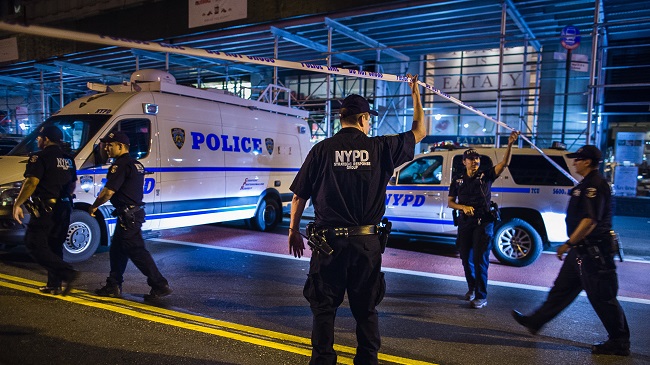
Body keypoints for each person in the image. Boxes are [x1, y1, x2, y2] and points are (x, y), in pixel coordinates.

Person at [288, 74, 426, 365]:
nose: (370, 123)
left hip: (328, 246)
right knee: (365, 309)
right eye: (369, 119)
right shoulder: (381, 148)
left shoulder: (321, 150)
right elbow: (420, 130)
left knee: (324, 309)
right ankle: (366, 360)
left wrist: (293, 231)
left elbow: (299, 196)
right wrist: (415, 92)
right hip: (366, 245)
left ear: (342, 119)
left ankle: (323, 360)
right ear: (363, 118)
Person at [512, 145, 630, 356]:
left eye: (578, 159)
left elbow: (589, 220)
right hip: (581, 250)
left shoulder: (596, 185)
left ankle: (619, 341)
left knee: (603, 297)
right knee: (561, 290)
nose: (574, 162)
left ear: (588, 162)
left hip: (594, 253)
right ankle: (536, 321)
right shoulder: (584, 184)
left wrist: (568, 244)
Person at [90, 131, 172, 300]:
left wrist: (94, 206)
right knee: (117, 251)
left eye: (110, 145)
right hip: (130, 214)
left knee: (136, 251)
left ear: (121, 146)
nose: (106, 149)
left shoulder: (120, 165)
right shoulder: (135, 164)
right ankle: (113, 285)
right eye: (106, 145)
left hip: (129, 216)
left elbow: (108, 192)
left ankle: (159, 284)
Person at [447, 130, 519, 309]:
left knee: (481, 260)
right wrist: (462, 207)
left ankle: (481, 295)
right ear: (464, 162)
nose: (475, 161)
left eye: (477, 159)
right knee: (466, 258)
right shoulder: (457, 180)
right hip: (465, 223)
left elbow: (504, 164)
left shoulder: (485, 176)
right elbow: (450, 203)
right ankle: (472, 288)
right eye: (471, 159)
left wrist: (509, 144)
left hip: (483, 223)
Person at [12, 125, 78, 296]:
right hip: (64, 206)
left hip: (46, 208)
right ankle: (54, 284)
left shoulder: (39, 157)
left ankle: (67, 273)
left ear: (46, 139)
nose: (38, 141)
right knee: (55, 245)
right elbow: (72, 185)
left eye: (39, 138)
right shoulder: (69, 159)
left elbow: (31, 182)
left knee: (34, 244)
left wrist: (18, 204)